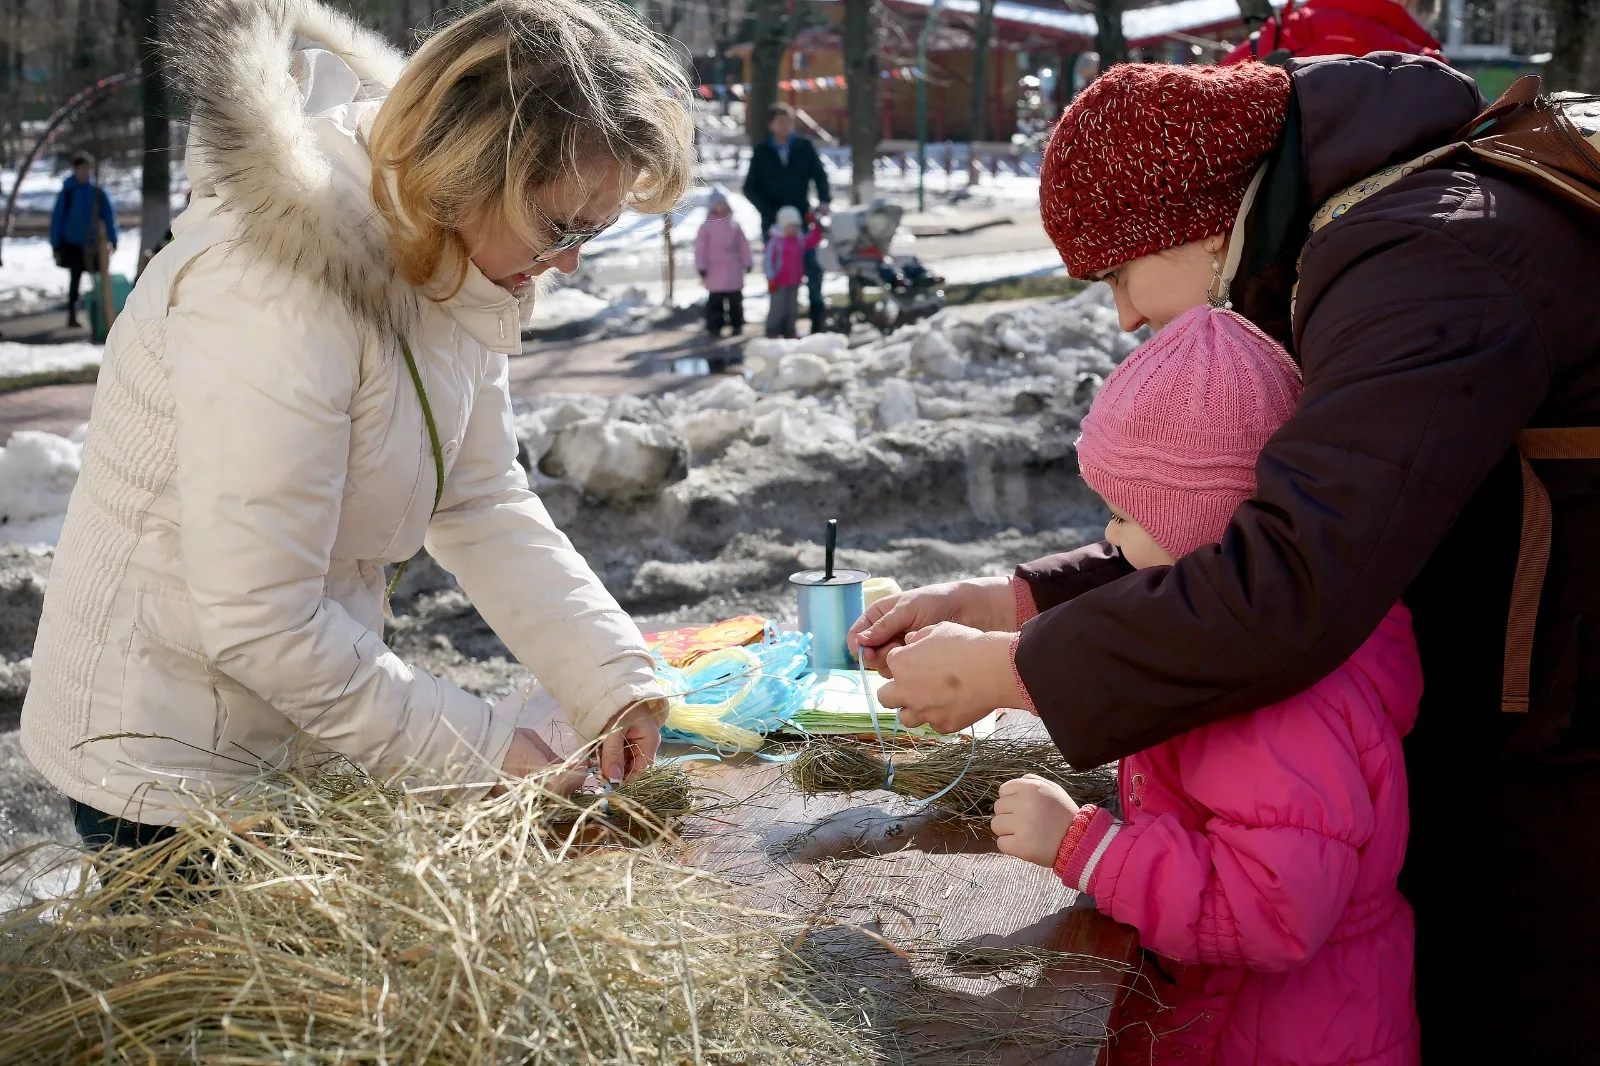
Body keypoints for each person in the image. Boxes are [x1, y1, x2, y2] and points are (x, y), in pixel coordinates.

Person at [850, 58, 1600, 1062]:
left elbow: (1292, 578)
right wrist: (1012, 601)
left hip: (1559, 744)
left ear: (1207, 224)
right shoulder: (1373, 229)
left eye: (1118, 271)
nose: (1119, 315)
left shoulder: (1421, 259)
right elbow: (1271, 526)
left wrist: (1017, 670)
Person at [22, 0, 693, 848]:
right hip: (168, 766)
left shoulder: (453, 254)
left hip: (290, 723)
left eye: (592, 232)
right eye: (559, 227)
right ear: (466, 172)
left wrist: (610, 679)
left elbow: (477, 497)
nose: (568, 263)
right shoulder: (273, 290)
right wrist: (485, 751)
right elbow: (261, 616)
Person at [993, 306, 1420, 1066]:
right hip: (1242, 1018)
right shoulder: (1250, 653)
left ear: (1201, 522)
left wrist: (1087, 850)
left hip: (1283, 1037)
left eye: (1126, 514)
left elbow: (1275, 913)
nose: (1111, 538)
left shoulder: (1276, 704)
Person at [742, 103, 830, 334]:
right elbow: (750, 188)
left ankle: (817, 318)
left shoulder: (803, 147)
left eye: (788, 121)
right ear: (771, 125)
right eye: (780, 121)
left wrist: (824, 200)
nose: (785, 125)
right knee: (779, 273)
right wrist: (770, 213)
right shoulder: (762, 152)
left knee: (811, 268)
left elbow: (819, 175)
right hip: (773, 225)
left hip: (801, 219)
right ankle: (778, 322)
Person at [1223, 0, 1442, 66]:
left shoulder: (1312, 16)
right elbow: (1436, 66)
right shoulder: (1374, 33)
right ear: (1409, 4)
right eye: (1422, 25)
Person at [48, 151, 118, 330]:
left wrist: (113, 238)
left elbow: (109, 217)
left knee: (100, 276)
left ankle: (104, 314)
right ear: (75, 170)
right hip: (72, 244)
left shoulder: (98, 192)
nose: (86, 173)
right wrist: (55, 244)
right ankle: (72, 314)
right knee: (75, 278)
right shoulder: (68, 192)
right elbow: (57, 219)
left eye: (88, 169)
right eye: (82, 169)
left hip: (94, 244)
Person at [694, 186, 751, 337]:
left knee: (735, 301)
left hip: (733, 268)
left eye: (723, 203)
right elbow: (700, 249)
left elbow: (743, 245)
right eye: (718, 204)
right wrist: (701, 266)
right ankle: (715, 326)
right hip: (715, 270)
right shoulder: (706, 227)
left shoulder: (734, 225)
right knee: (715, 302)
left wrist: (747, 261)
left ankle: (737, 324)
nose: (721, 207)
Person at [764, 205, 822, 340]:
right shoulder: (776, 242)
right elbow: (768, 260)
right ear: (783, 225)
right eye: (791, 226)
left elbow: (812, 240)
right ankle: (772, 331)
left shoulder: (800, 240)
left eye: (797, 226)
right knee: (778, 308)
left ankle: (789, 331)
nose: (795, 229)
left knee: (792, 309)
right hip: (778, 282)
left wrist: (816, 225)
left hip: (795, 281)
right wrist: (770, 277)